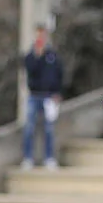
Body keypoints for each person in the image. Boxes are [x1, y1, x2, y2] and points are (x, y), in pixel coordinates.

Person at [21, 25, 63, 171]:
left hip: (49, 97)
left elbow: (59, 74)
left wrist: (57, 92)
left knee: (49, 130)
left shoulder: (53, 56)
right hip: (34, 96)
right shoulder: (30, 56)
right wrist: (37, 56)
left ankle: (49, 158)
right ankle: (28, 158)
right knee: (29, 128)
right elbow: (30, 71)